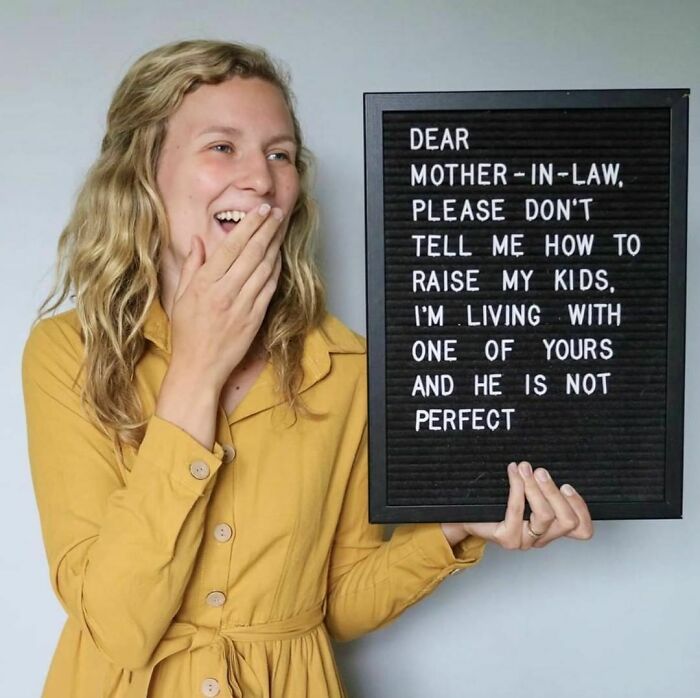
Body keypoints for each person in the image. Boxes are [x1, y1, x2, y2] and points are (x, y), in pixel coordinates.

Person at [21, 39, 594, 698]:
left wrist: (455, 527)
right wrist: (199, 371)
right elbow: (118, 625)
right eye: (222, 147)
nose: (261, 179)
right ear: (144, 171)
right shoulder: (69, 353)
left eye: (280, 154)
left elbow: (340, 603)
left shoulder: (346, 365)